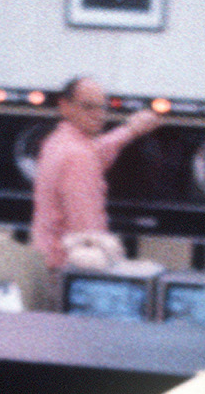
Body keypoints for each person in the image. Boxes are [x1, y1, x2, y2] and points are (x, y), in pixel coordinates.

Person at [31, 74, 162, 294]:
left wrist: (131, 130)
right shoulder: (78, 156)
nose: (99, 115)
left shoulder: (57, 143)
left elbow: (95, 152)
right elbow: (89, 236)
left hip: (50, 266)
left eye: (102, 108)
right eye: (89, 107)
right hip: (71, 275)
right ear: (65, 107)